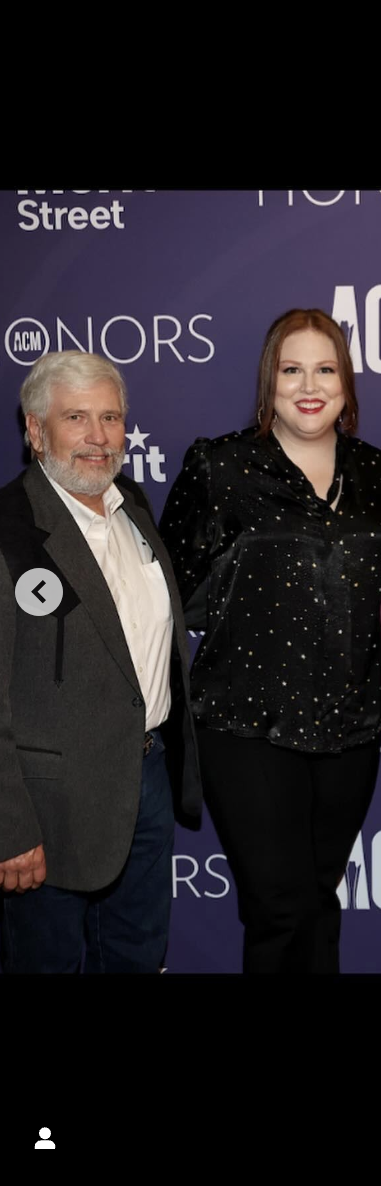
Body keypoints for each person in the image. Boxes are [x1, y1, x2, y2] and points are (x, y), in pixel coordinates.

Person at [160, 309, 381, 974]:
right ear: (270, 383)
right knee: (279, 907)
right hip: (245, 726)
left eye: (324, 369)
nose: (308, 385)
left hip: (350, 728)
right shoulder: (222, 467)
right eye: (291, 370)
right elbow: (166, 594)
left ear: (347, 385)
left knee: (320, 901)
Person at [0, 351, 201, 974]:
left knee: (138, 956)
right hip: (49, 805)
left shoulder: (133, 506)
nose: (97, 437)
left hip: (146, 779)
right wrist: (10, 827)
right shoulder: (9, 528)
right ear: (36, 431)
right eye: (77, 417)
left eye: (110, 417)